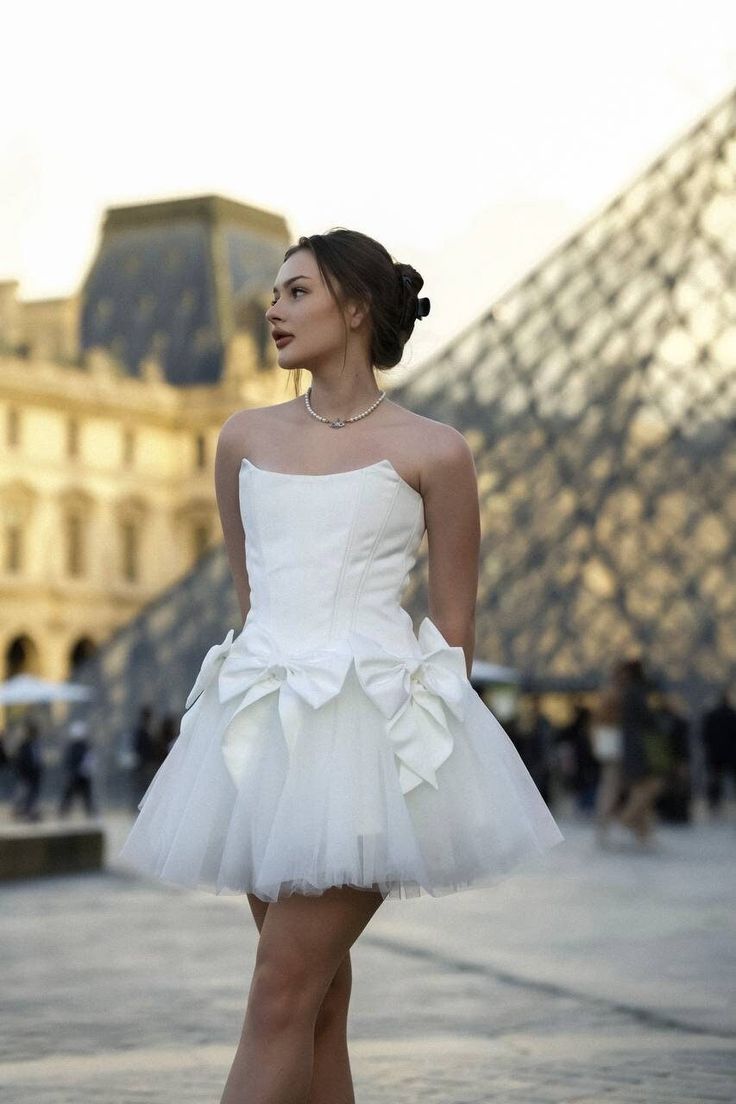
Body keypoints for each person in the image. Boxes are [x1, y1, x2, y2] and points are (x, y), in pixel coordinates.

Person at [117, 228, 564, 1104]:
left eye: (295, 293)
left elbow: (454, 633)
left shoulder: (436, 451)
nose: (272, 310)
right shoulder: (241, 439)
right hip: (257, 737)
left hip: (369, 742)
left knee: (279, 992)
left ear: (355, 309)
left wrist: (412, 771)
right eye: (275, 295)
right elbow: (252, 602)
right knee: (315, 1001)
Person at [617, 658, 666, 846]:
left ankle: (642, 832)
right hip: (642, 746)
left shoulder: (630, 692)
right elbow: (650, 718)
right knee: (648, 785)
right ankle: (627, 820)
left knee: (639, 787)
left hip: (634, 745)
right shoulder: (637, 692)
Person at [591, 660, 625, 846]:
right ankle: (605, 823)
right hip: (613, 741)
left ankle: (606, 822)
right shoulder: (614, 694)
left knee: (610, 783)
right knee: (611, 784)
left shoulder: (606, 693)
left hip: (608, 741)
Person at [701, 689, 736, 815]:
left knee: (715, 780)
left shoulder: (711, 715)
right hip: (732, 754)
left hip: (714, 754)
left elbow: (705, 735)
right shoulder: (733, 714)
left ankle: (714, 805)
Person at [58, 719, 98, 819]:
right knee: (72, 796)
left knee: (85, 796)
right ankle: (63, 812)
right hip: (77, 776)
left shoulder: (81, 746)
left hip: (80, 776)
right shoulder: (78, 747)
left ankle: (90, 812)